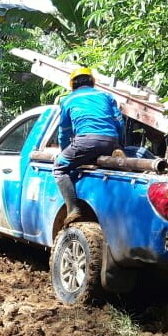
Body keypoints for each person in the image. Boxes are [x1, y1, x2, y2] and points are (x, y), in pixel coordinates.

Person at [54, 67, 125, 223]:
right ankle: (116, 151)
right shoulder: (106, 95)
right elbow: (120, 123)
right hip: (110, 139)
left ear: (72, 85)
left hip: (85, 141)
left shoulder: (67, 100)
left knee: (59, 167)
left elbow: (64, 132)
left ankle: (73, 209)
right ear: (92, 81)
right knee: (106, 151)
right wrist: (119, 143)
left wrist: (64, 152)